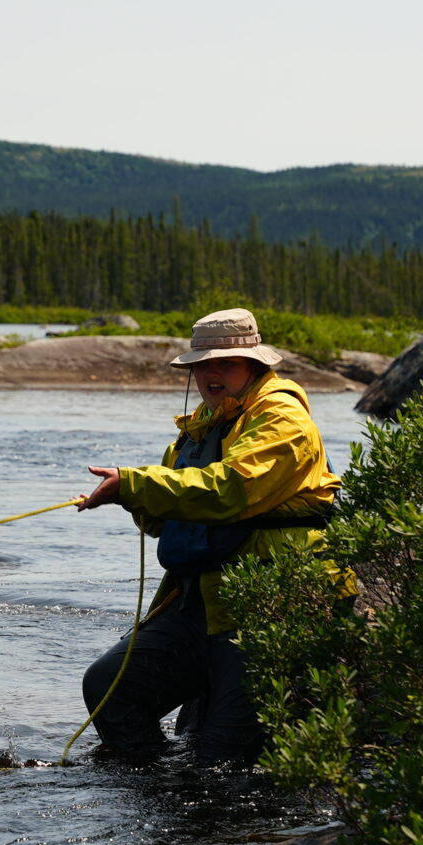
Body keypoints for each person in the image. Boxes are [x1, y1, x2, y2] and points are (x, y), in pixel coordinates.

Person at [73, 308, 354, 762]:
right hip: (198, 601)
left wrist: (135, 484)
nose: (210, 373)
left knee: (222, 759)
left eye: (224, 362)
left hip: (268, 605)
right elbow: (162, 521)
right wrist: (128, 496)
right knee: (108, 687)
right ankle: (154, 783)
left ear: (256, 365)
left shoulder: (283, 417)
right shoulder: (202, 424)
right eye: (202, 364)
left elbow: (231, 491)